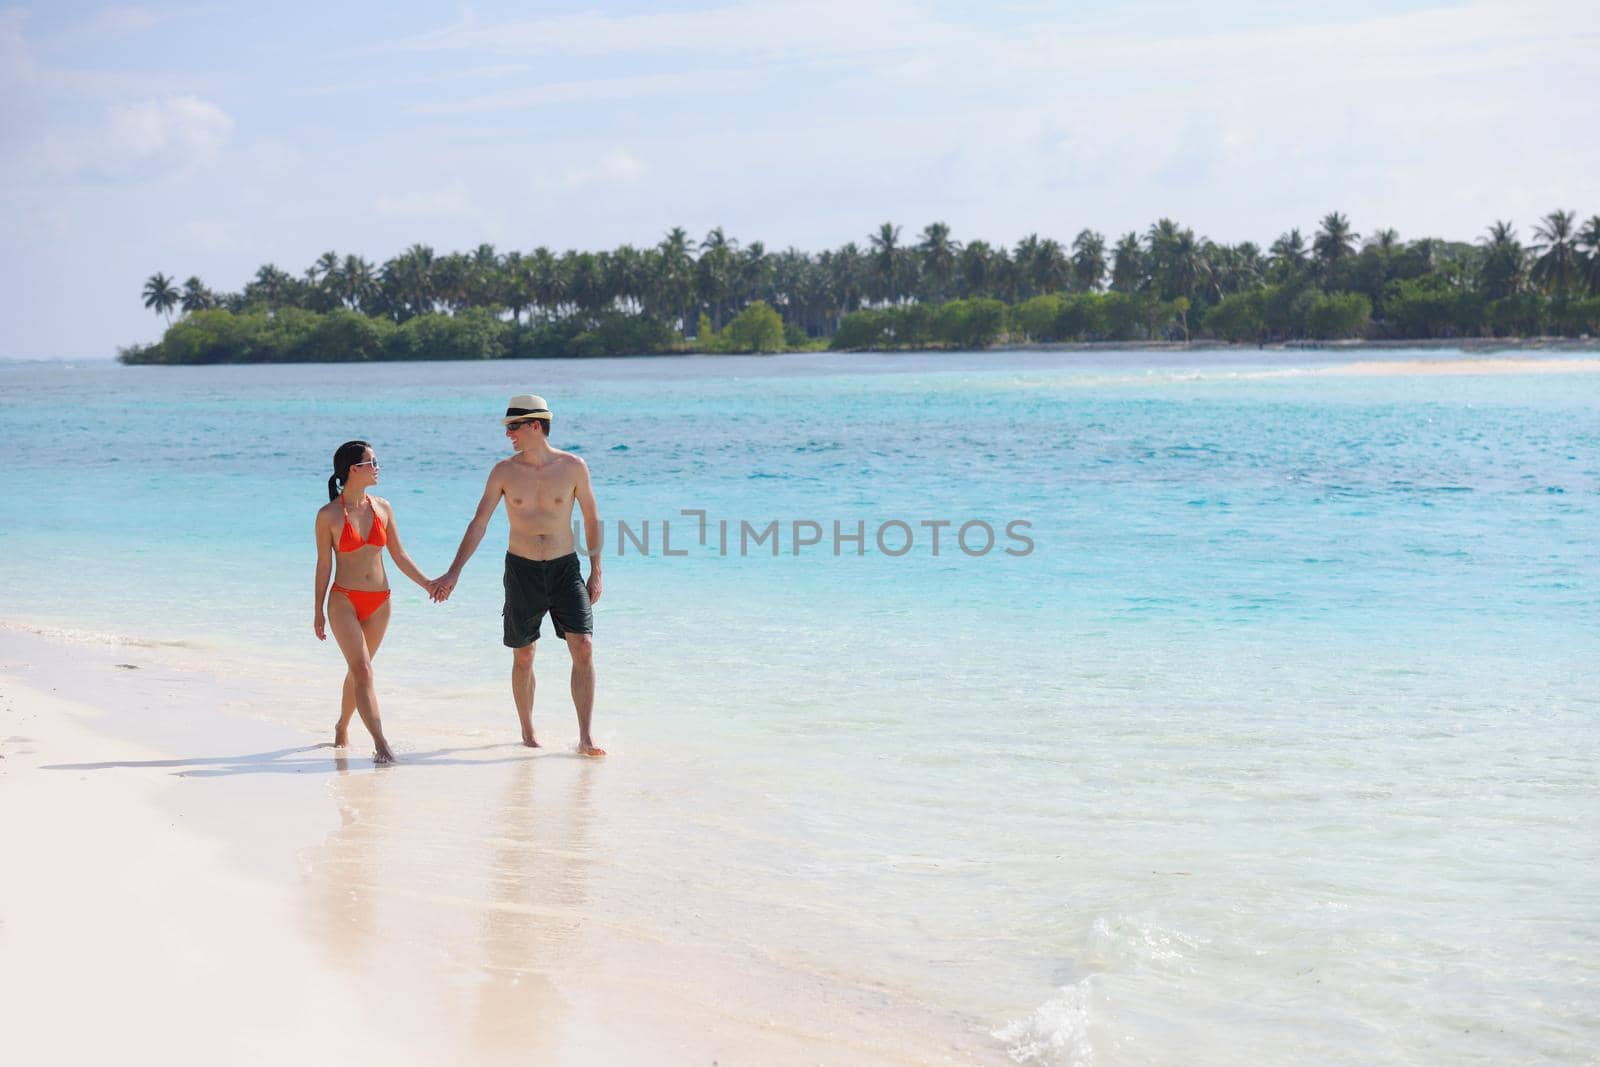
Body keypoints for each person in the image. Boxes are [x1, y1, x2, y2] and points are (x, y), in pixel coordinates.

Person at [432, 395, 606, 757]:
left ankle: (585, 737)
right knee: (524, 653)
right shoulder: (503, 472)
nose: (508, 434)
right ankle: (528, 733)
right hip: (521, 569)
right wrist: (454, 571)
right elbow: (479, 523)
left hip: (565, 568)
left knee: (584, 646)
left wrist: (596, 571)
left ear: (535, 426)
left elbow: (591, 518)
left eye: (513, 427)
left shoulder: (574, 466)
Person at [313, 440, 435, 764]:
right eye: (372, 462)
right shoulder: (328, 516)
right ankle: (381, 744)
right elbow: (324, 565)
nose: (377, 467)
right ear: (354, 469)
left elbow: (399, 555)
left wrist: (428, 584)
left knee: (359, 672)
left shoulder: (383, 507)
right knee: (363, 670)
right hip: (344, 601)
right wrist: (317, 612)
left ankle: (342, 724)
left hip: (380, 603)